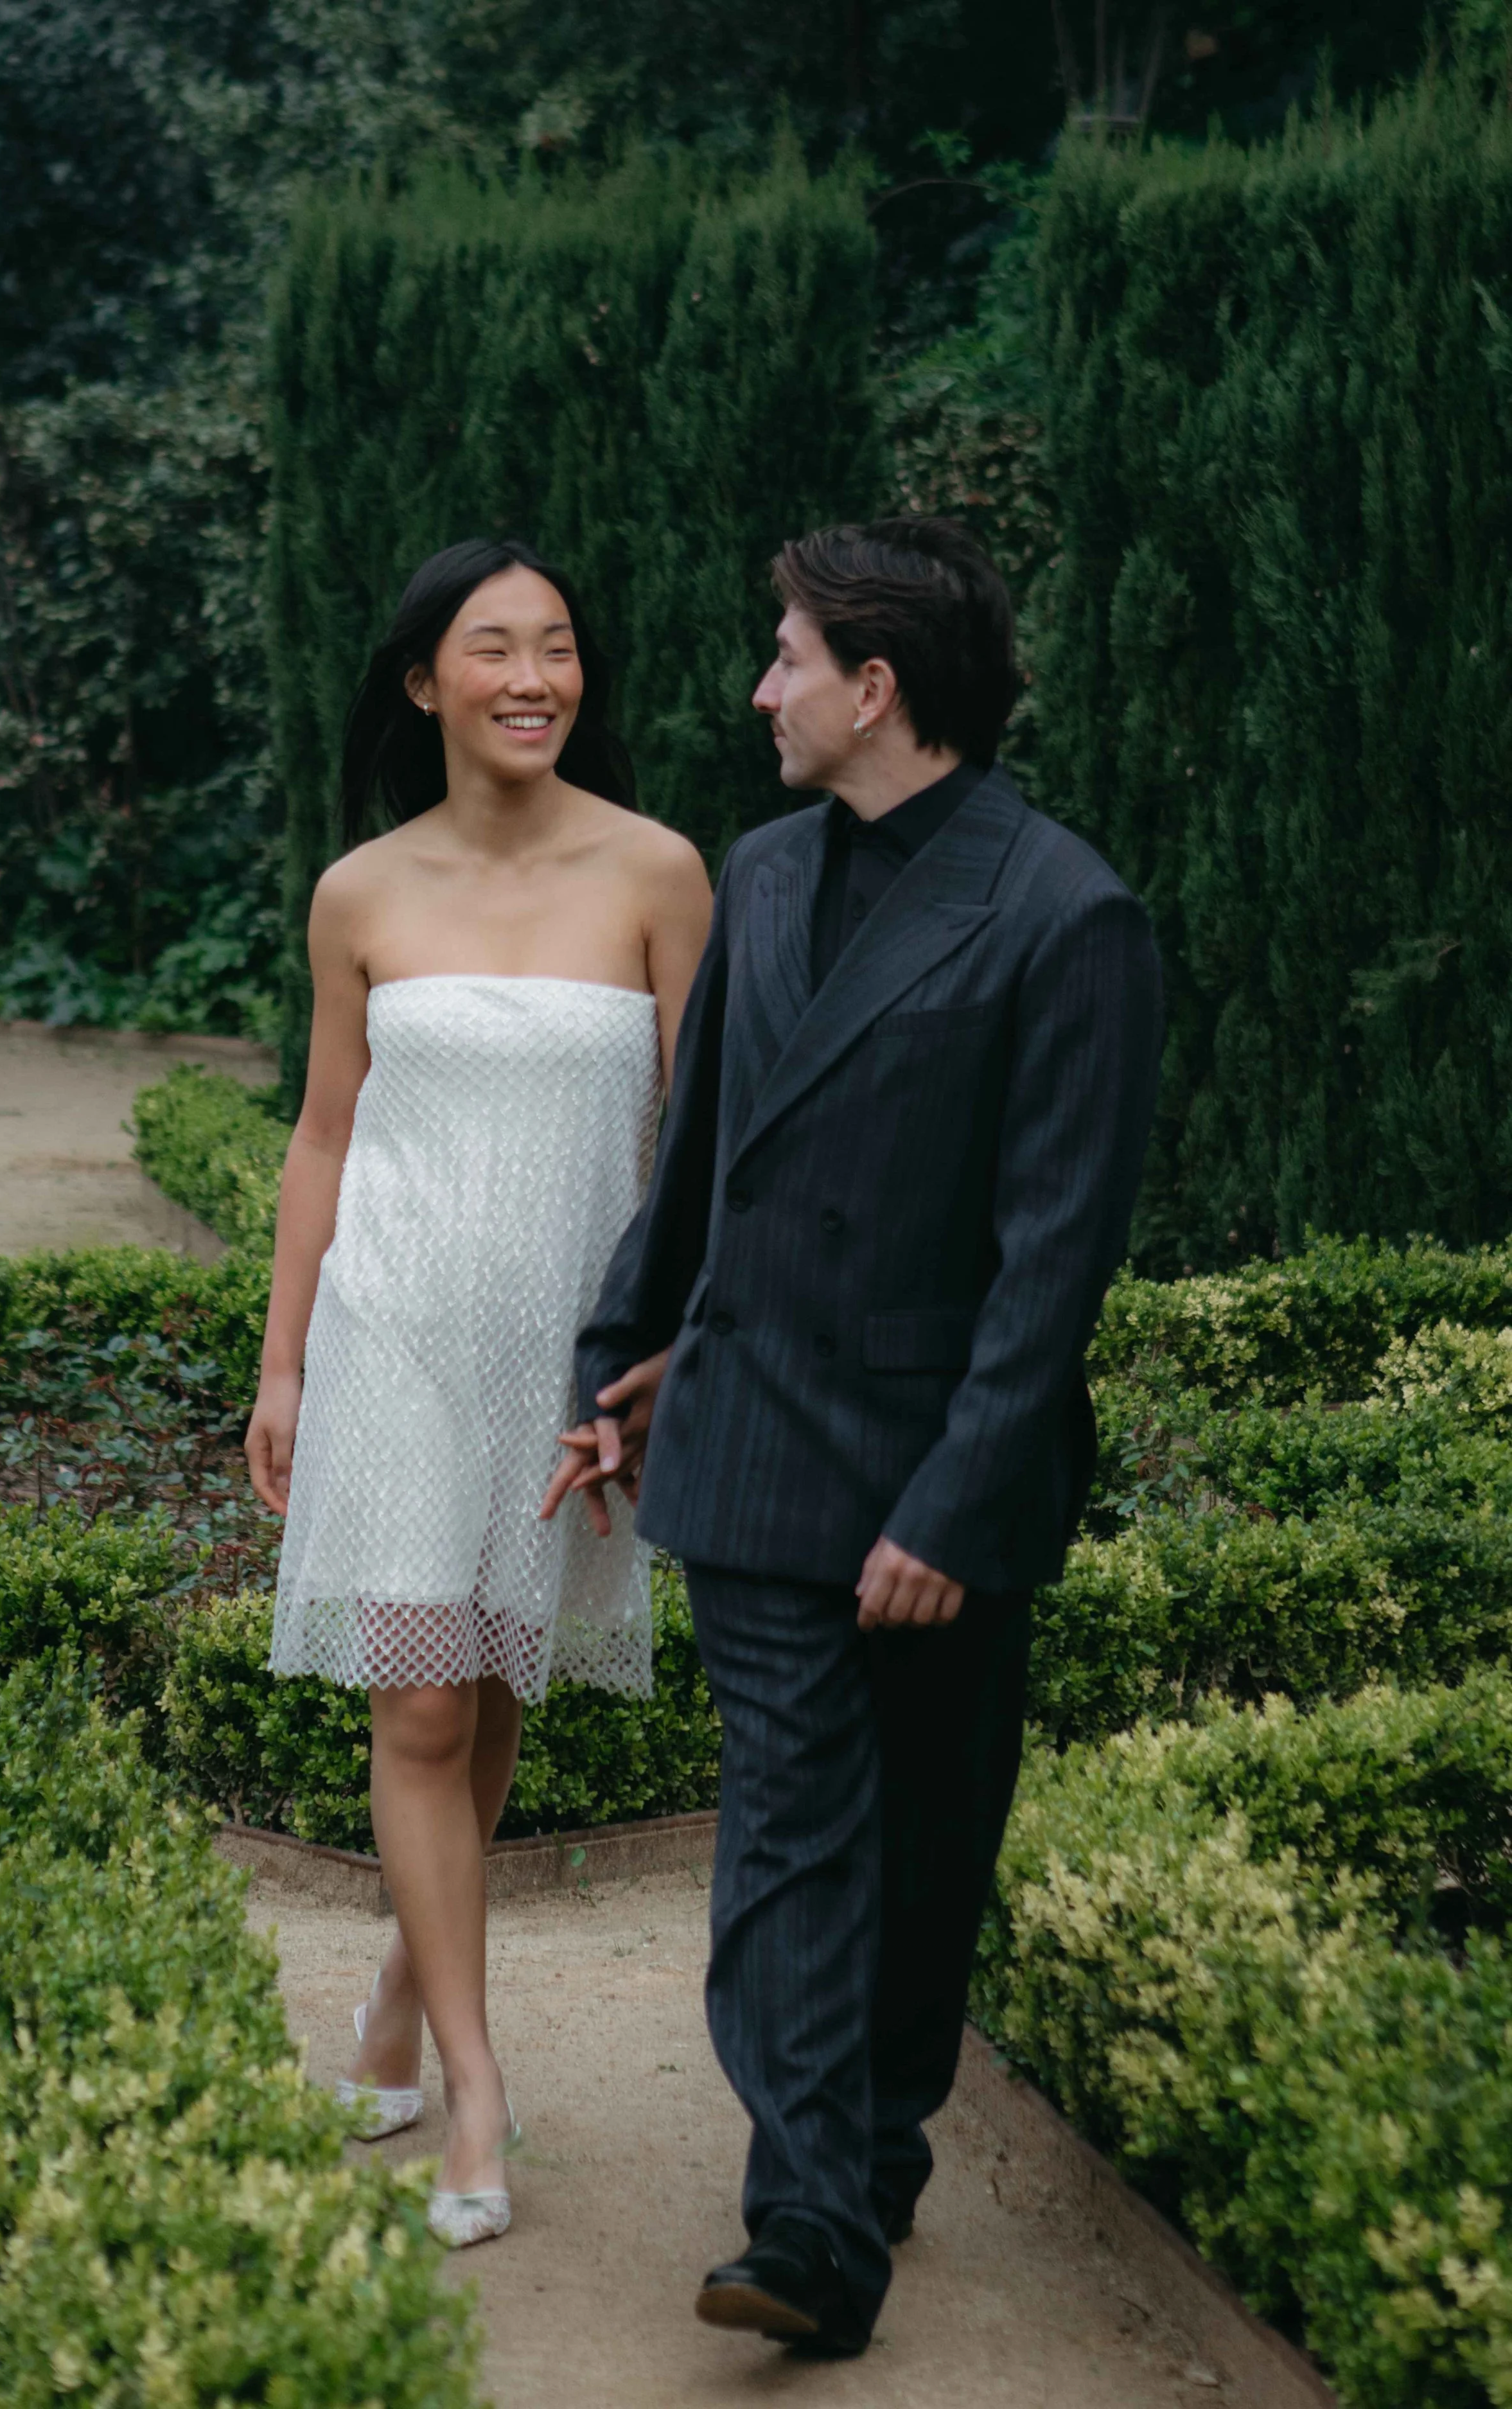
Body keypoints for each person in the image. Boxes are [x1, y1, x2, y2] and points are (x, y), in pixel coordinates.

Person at [543, 517, 1163, 2352]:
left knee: (926, 1850)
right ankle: (809, 2229)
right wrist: (623, 1350)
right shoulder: (764, 868)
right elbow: (706, 1152)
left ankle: (867, 2140)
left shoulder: (1068, 914)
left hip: (938, 1480)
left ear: (877, 687)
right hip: (753, 1451)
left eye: (788, 656)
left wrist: (953, 1506)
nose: (761, 689)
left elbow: (1053, 1263)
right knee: (797, 1834)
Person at [247, 536, 712, 2249]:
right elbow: (322, 1131)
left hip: (567, 1357)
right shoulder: (360, 892)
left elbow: (703, 1143)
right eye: (494, 647)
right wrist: (284, 1356)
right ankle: (476, 2074)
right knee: (421, 1710)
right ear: (422, 679)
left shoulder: (660, 872)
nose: (533, 678)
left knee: (497, 1678)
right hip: (396, 1342)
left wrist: (670, 1348)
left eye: (560, 647)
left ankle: (393, 1989)